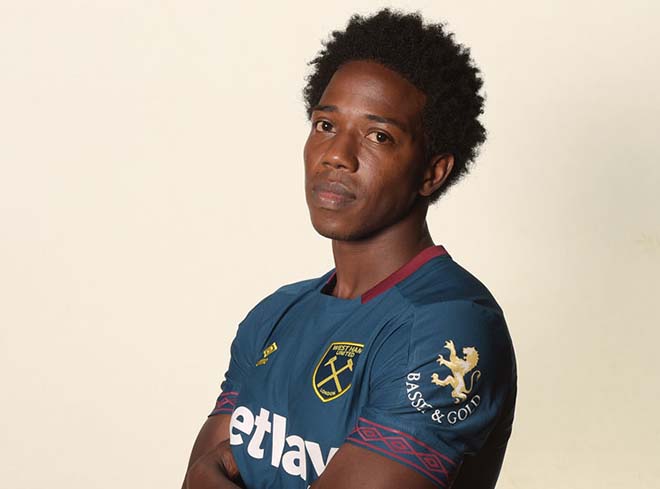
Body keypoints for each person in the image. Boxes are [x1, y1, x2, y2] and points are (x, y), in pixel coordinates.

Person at [183, 8, 516, 489]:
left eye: (379, 136)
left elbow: (207, 475)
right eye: (325, 125)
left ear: (432, 172)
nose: (337, 155)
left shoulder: (447, 326)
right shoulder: (276, 314)